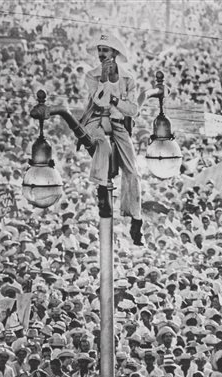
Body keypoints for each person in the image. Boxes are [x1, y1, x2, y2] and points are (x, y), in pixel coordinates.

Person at [80, 33, 143, 245]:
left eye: (105, 50)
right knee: (103, 147)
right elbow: (97, 102)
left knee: (132, 171)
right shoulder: (92, 75)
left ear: (114, 53)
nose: (101, 54)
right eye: (99, 50)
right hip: (96, 121)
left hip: (118, 124)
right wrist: (105, 81)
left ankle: (135, 217)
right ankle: (101, 188)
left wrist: (115, 99)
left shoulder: (128, 78)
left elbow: (132, 110)